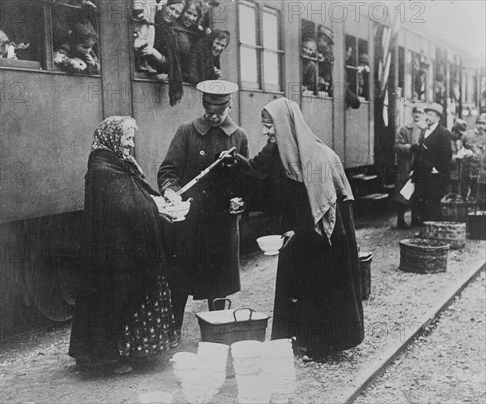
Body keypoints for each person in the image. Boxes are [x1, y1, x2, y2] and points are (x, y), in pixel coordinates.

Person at [232, 97, 363, 360]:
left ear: (284, 125)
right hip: (296, 230)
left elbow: (326, 208)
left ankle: (325, 345)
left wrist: (299, 229)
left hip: (325, 237)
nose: (265, 131)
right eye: (264, 125)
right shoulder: (277, 152)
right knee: (295, 283)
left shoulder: (317, 157)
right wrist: (233, 163)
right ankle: (296, 338)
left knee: (321, 286)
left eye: (270, 126)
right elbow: (260, 181)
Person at [69, 116, 178, 375]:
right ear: (112, 138)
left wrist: (158, 202)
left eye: (131, 139)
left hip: (121, 249)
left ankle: (127, 352)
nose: (130, 145)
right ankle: (104, 360)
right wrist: (154, 207)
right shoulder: (103, 169)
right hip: (112, 255)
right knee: (112, 301)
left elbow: (136, 194)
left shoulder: (117, 164)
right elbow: (124, 207)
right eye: (126, 139)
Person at [158, 80, 249, 340]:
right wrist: (170, 191)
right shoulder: (186, 131)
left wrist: (240, 201)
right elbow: (168, 171)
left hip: (221, 224)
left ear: (230, 105)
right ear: (203, 104)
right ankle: (173, 330)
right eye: (209, 108)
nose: (213, 115)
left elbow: (247, 180)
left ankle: (216, 331)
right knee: (180, 278)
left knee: (219, 280)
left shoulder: (239, 136)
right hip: (189, 221)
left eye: (220, 110)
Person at [138, 0, 185, 105]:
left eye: (177, 13)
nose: (172, 14)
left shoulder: (171, 33)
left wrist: (153, 52)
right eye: (171, 8)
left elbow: (170, 64)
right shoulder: (150, 18)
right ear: (164, 5)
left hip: (155, 75)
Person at [411, 102, 452, 222]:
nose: (427, 117)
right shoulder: (424, 131)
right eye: (427, 114)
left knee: (433, 202)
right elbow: (419, 152)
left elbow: (447, 154)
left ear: (438, 118)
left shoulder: (443, 132)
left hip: (435, 175)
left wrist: (437, 169)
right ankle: (426, 228)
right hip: (421, 173)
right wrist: (414, 169)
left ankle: (433, 229)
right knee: (422, 200)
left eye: (431, 115)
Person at [394, 106, 425, 228]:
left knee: (417, 192)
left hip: (419, 164)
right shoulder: (404, 128)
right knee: (402, 193)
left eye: (420, 112)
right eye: (416, 112)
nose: (417, 114)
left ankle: (415, 218)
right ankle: (400, 219)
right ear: (412, 114)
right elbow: (397, 146)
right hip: (406, 165)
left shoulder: (425, 129)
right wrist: (410, 148)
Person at [460, 113, 486, 207]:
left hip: (479, 169)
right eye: (479, 123)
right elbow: (460, 147)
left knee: (476, 192)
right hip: (466, 168)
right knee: (463, 191)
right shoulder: (467, 134)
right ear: (476, 123)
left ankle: (473, 213)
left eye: (484, 123)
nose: (481, 126)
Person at [447, 119, 466, 195]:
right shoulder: (446, 140)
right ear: (454, 130)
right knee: (448, 194)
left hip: (457, 173)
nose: (460, 136)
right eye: (459, 134)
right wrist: (455, 156)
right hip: (447, 173)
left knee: (456, 193)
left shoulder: (459, 141)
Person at [316, 25, 333, 94]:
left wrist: (324, 58)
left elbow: (331, 57)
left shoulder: (326, 48)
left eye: (327, 41)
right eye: (325, 40)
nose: (325, 43)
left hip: (322, 76)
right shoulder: (313, 44)